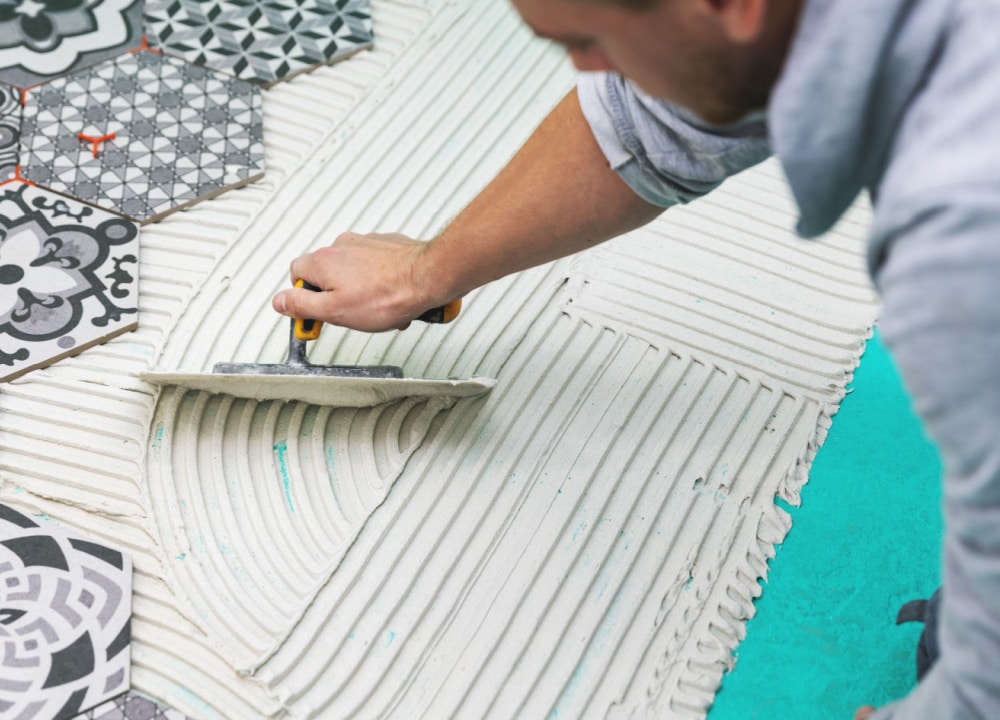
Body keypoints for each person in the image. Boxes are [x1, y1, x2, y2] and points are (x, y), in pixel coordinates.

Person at [270, 0, 1000, 717]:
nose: (590, 72)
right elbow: (649, 123)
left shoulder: (963, 248)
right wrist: (426, 271)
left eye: (591, 39)